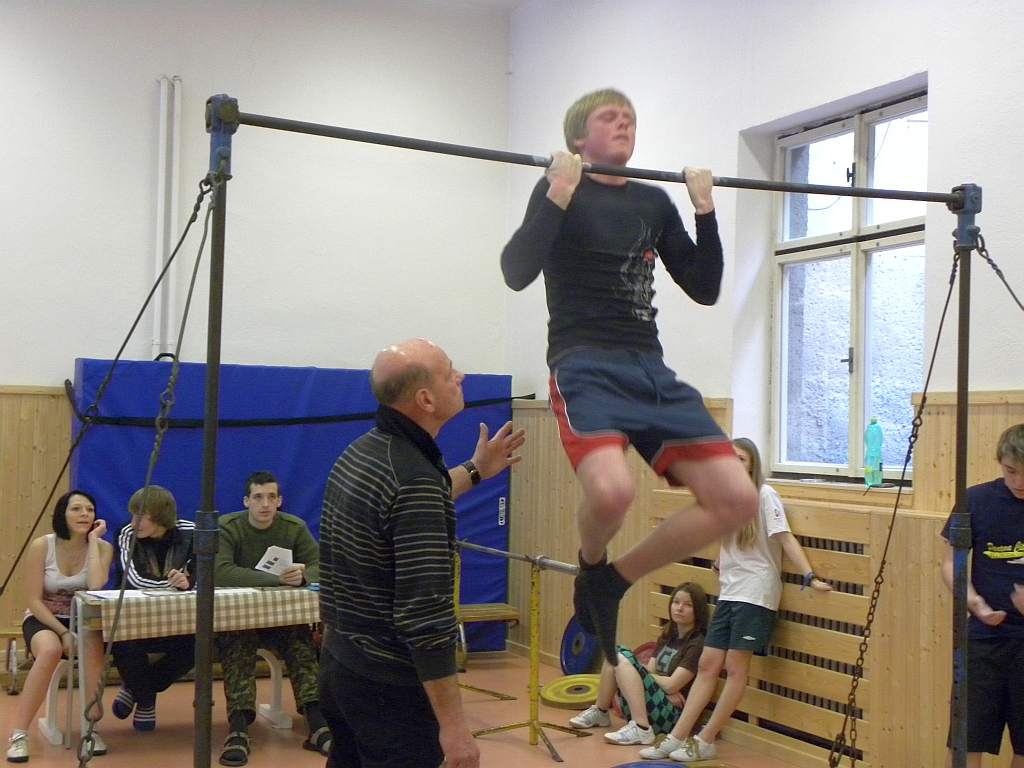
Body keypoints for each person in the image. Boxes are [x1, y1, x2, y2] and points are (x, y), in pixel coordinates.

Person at [500, 87, 758, 665]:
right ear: (578, 137)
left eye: (630, 118)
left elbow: (705, 287)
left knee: (738, 499)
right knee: (614, 492)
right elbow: (515, 272)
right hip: (584, 362)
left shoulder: (652, 201)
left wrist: (705, 209)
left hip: (649, 367)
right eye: (609, 117)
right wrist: (557, 193)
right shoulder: (558, 187)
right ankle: (591, 562)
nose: (624, 124)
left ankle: (611, 581)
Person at [318, 338, 526, 768]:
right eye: (450, 373)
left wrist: (476, 470)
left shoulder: (364, 453)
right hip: (389, 691)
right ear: (426, 400)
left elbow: (409, 502)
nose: (461, 376)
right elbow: (425, 618)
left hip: (342, 667)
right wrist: (455, 727)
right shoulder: (413, 480)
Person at [638, 437, 832, 762]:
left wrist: (809, 576)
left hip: (755, 593)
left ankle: (706, 739)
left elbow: (785, 538)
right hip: (730, 592)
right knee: (707, 663)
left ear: (752, 464)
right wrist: (721, 562)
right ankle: (676, 737)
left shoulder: (764, 495)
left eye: (740, 459)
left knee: (735, 667)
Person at [213, 470, 328, 767]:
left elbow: (321, 565)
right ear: (246, 501)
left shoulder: (294, 527)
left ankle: (317, 723)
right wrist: (277, 579)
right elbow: (220, 572)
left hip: (282, 620)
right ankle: (239, 728)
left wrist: (303, 576)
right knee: (237, 644)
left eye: (271, 497)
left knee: (301, 644)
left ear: (279, 501)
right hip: (240, 620)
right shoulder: (228, 527)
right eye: (258, 497)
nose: (265, 504)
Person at [6, 491, 114, 763]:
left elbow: (96, 586)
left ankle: (91, 729)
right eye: (76, 509)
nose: (84, 514)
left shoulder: (102, 548)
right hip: (44, 618)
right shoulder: (42, 546)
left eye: (89, 509)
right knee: (50, 650)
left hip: (83, 619)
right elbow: (33, 599)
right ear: (62, 515)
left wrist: (93, 540)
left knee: (93, 649)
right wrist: (63, 632)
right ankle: (19, 735)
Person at [940, 424, 1024, 768]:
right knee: (966, 740)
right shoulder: (976, 500)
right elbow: (950, 564)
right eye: (1011, 471)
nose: (1019, 482)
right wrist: (976, 603)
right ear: (1000, 462)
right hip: (984, 639)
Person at [569, 581, 708, 746]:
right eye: (676, 602)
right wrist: (656, 685)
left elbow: (672, 685)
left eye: (688, 605)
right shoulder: (667, 636)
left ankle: (641, 728)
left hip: (672, 717)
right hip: (657, 704)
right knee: (615, 654)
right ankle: (601, 711)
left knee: (621, 656)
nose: (679, 608)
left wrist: (644, 675)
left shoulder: (697, 644)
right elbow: (651, 671)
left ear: (698, 610)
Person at [110, 485, 195, 732]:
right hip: (133, 617)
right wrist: (178, 584)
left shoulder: (192, 532)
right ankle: (146, 700)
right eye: (132, 514)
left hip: (178, 619)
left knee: (198, 646)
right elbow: (133, 579)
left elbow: (202, 573)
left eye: (141, 516)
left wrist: (189, 581)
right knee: (123, 642)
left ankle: (135, 688)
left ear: (161, 516)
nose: (133, 522)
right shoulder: (126, 533)